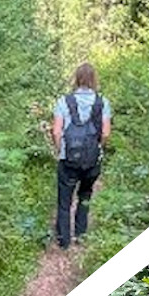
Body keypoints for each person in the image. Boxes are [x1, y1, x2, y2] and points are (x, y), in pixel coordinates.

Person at [50, 62, 112, 249]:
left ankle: (63, 241)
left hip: (68, 159)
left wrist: (60, 149)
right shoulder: (103, 102)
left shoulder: (64, 101)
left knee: (64, 200)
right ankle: (80, 235)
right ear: (94, 79)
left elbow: (56, 131)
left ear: (76, 79)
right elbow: (106, 132)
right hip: (92, 160)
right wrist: (98, 148)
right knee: (85, 195)